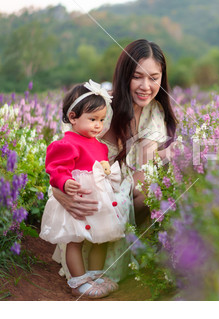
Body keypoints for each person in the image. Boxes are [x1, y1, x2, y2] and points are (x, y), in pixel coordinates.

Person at [51, 40, 178, 285]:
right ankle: (86, 268)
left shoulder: (155, 112)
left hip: (120, 193)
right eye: (137, 77)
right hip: (88, 191)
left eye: (154, 77)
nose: (145, 86)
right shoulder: (102, 109)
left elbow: (145, 162)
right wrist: (58, 190)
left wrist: (174, 155)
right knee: (145, 182)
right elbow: (64, 155)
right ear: (124, 75)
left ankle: (148, 249)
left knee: (158, 181)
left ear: (162, 78)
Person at [40, 80, 125, 298]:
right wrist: (64, 181)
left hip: (99, 199)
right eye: (93, 119)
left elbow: (101, 168)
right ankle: (78, 281)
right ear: (73, 117)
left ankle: (96, 275)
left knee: (101, 237)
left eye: (102, 120)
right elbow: (56, 168)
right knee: (75, 240)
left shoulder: (100, 145)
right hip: (79, 198)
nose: (98, 125)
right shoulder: (67, 143)